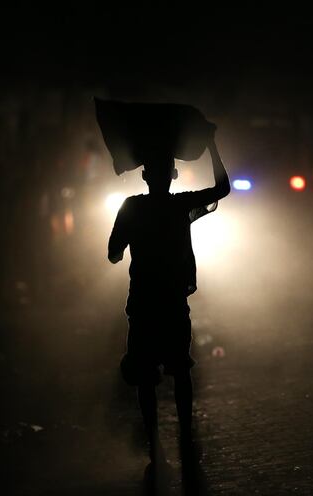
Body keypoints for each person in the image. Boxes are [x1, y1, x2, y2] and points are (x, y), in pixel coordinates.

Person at [108, 131, 230, 473]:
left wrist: (129, 245)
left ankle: (152, 440)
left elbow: (113, 253)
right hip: (173, 301)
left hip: (144, 301)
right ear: (171, 176)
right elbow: (222, 189)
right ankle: (186, 434)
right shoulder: (180, 205)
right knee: (181, 370)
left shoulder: (131, 207)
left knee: (145, 375)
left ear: (145, 176)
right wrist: (213, 147)